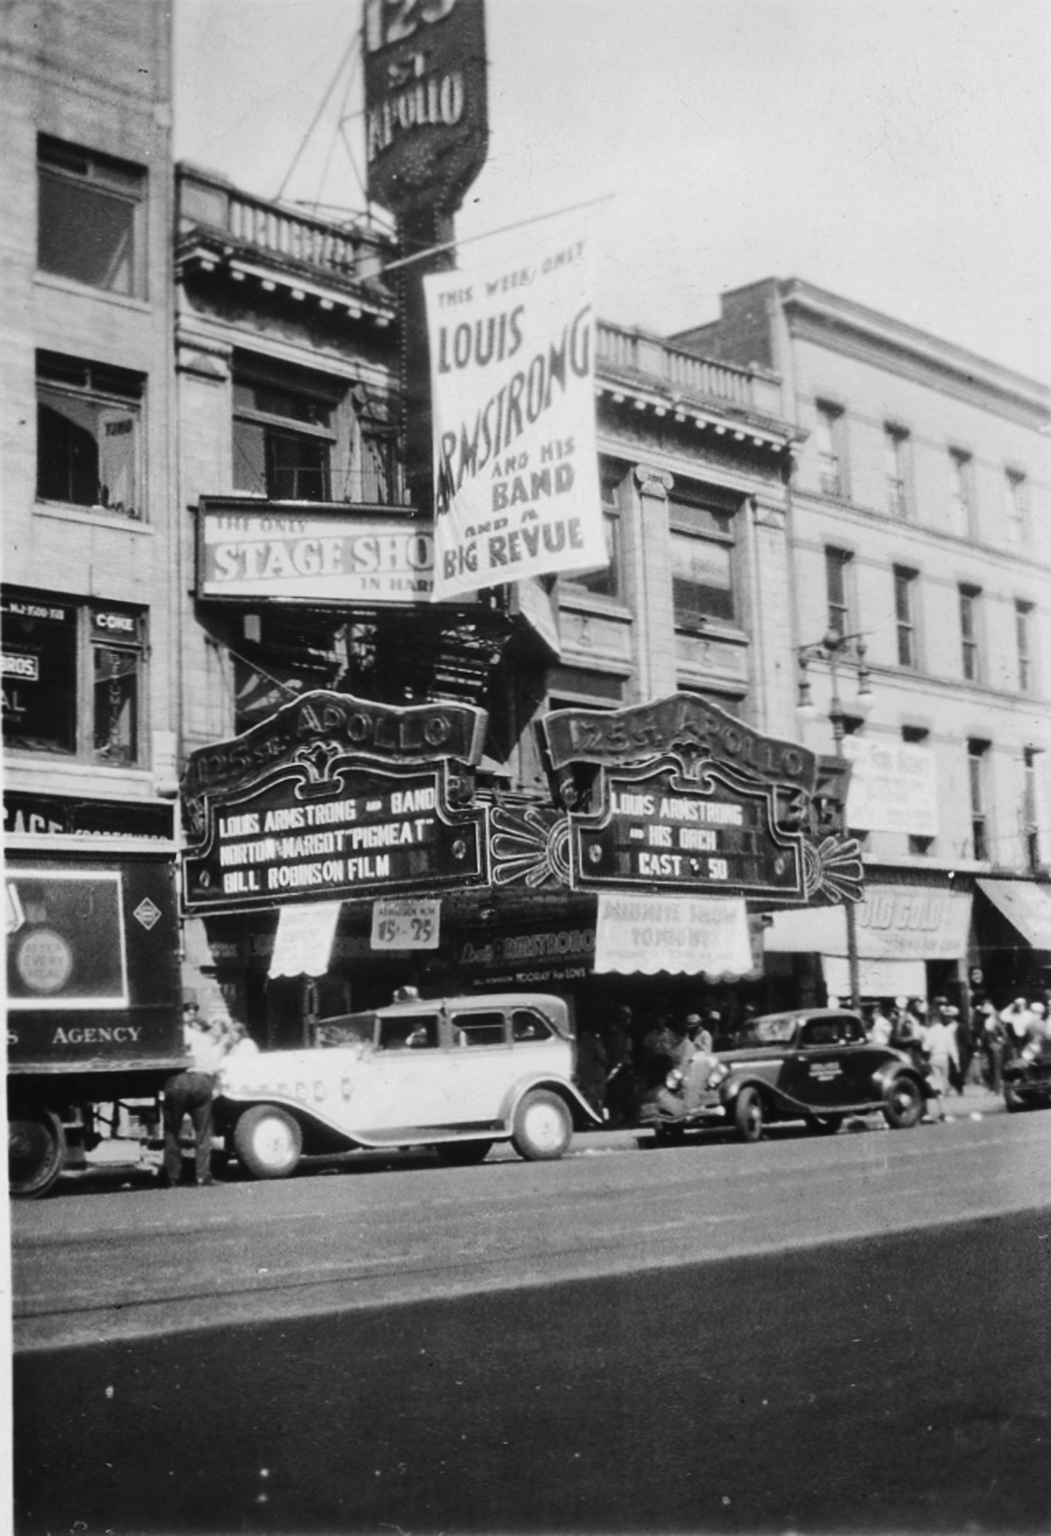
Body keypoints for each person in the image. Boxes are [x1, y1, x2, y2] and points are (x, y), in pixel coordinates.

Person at [160, 1006, 230, 1187]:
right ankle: (201, 1175)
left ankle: (172, 1176)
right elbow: (214, 1067)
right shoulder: (205, 1039)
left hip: (178, 1080)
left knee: (172, 1130)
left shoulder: (177, 1034)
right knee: (203, 1131)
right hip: (201, 1080)